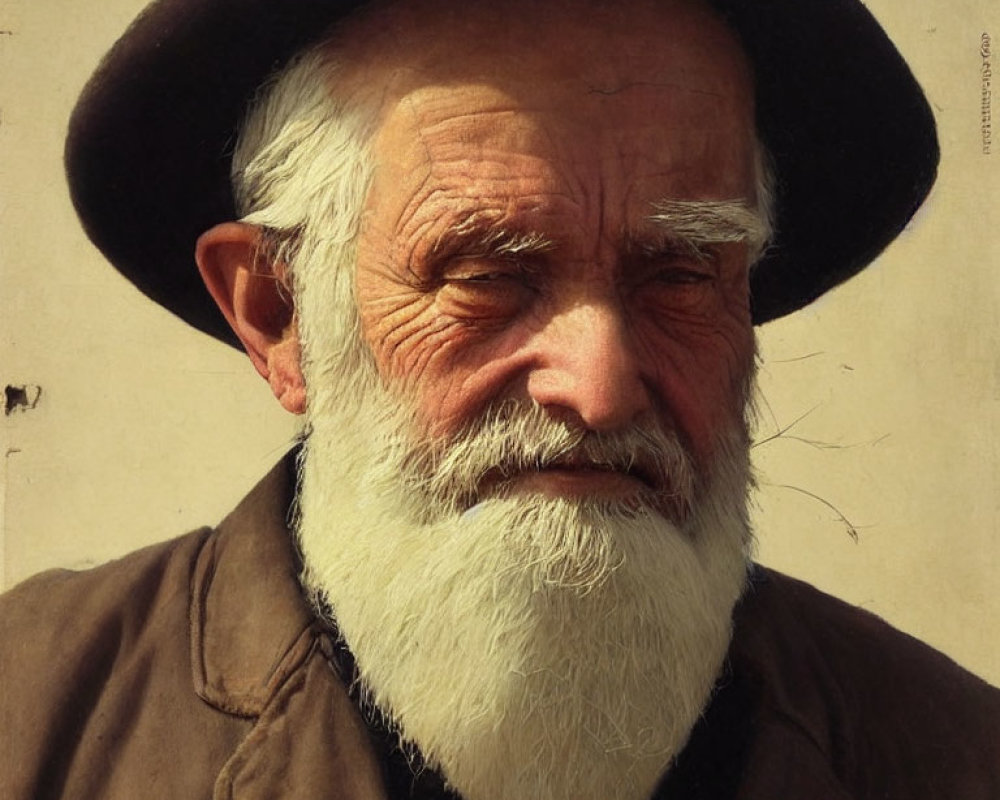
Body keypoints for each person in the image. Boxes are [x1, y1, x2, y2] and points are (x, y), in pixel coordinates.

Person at [2, 0, 998, 798]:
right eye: (487, 275)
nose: (601, 389)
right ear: (278, 312)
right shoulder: (31, 721)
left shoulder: (953, 757)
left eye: (682, 273)